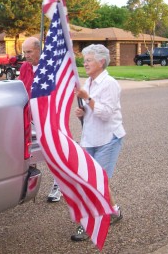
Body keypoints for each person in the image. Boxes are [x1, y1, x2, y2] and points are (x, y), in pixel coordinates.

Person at [71, 44, 126, 242]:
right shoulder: (89, 82)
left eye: (89, 60)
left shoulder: (109, 83)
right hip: (90, 137)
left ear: (101, 62)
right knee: (93, 180)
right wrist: (83, 112)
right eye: (84, 59)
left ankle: (90, 223)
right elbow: (91, 113)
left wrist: (88, 99)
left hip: (108, 138)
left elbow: (105, 114)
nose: (84, 63)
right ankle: (113, 212)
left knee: (95, 182)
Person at [19, 36, 61, 203]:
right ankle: (29, 186)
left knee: (55, 153)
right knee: (30, 154)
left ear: (38, 50)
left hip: (49, 118)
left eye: (29, 52)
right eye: (24, 52)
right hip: (30, 118)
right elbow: (21, 88)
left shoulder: (50, 68)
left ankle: (59, 185)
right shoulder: (24, 67)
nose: (26, 55)